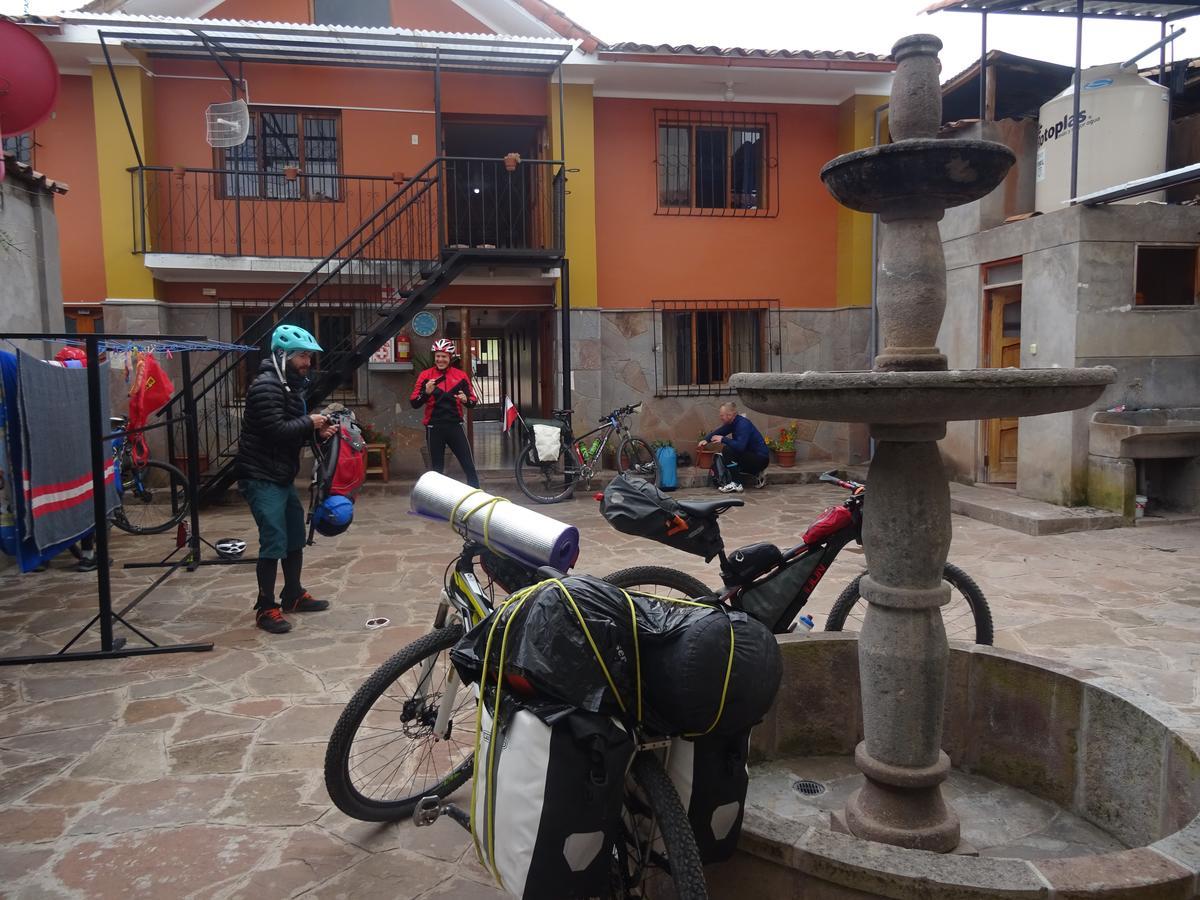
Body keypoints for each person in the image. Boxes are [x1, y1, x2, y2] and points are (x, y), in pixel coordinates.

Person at [236, 324, 337, 634]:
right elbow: (275, 430)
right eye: (302, 356)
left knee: (294, 535)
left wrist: (315, 431)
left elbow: (289, 431)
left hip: (280, 474)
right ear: (283, 355)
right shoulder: (266, 386)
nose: (308, 362)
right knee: (274, 541)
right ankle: (266, 607)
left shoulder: (290, 386)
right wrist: (309, 421)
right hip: (260, 475)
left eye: (308, 356)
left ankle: (292, 594)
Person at [411, 338, 479, 488]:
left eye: (444, 356)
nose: (440, 359)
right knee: (437, 470)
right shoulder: (425, 376)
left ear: (450, 357)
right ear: (434, 357)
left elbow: (473, 402)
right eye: (438, 356)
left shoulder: (460, 375)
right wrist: (426, 393)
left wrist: (466, 400)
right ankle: (437, 501)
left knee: (468, 465)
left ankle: (478, 498)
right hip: (434, 428)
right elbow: (414, 403)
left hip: (455, 426)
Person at [698, 401, 769, 494]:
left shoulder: (743, 425)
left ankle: (737, 483)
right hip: (752, 457)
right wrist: (706, 440)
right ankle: (756, 473)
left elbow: (740, 447)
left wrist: (723, 439)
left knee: (727, 451)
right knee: (726, 458)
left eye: (722, 415)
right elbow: (720, 431)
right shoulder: (733, 422)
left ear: (730, 415)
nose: (721, 417)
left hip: (760, 459)